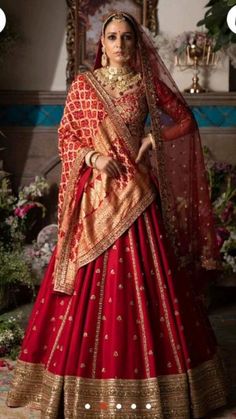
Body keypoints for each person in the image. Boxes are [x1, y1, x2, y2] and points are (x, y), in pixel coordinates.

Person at [6, 10, 228, 418]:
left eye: (128, 38)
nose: (121, 45)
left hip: (137, 198)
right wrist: (92, 156)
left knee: (152, 285)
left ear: (136, 43)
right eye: (113, 38)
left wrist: (149, 137)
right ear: (101, 44)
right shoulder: (83, 86)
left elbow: (184, 120)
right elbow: (67, 135)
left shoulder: (147, 84)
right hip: (94, 200)